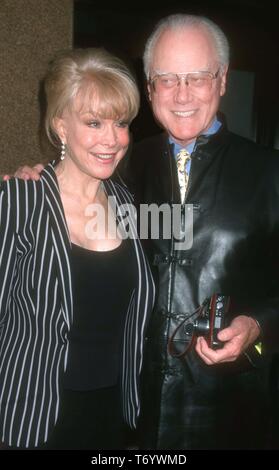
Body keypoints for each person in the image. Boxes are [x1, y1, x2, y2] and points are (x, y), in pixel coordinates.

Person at [8, 14, 279, 450]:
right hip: (132, 413)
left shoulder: (270, 173)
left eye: (198, 77)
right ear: (150, 88)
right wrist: (29, 183)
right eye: (167, 79)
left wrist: (258, 323)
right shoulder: (124, 167)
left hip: (228, 411)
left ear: (223, 80)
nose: (183, 94)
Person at [0, 47, 155, 449]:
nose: (113, 139)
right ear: (61, 127)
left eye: (121, 122)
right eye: (94, 122)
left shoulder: (128, 204)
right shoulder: (20, 199)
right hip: (31, 416)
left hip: (112, 416)